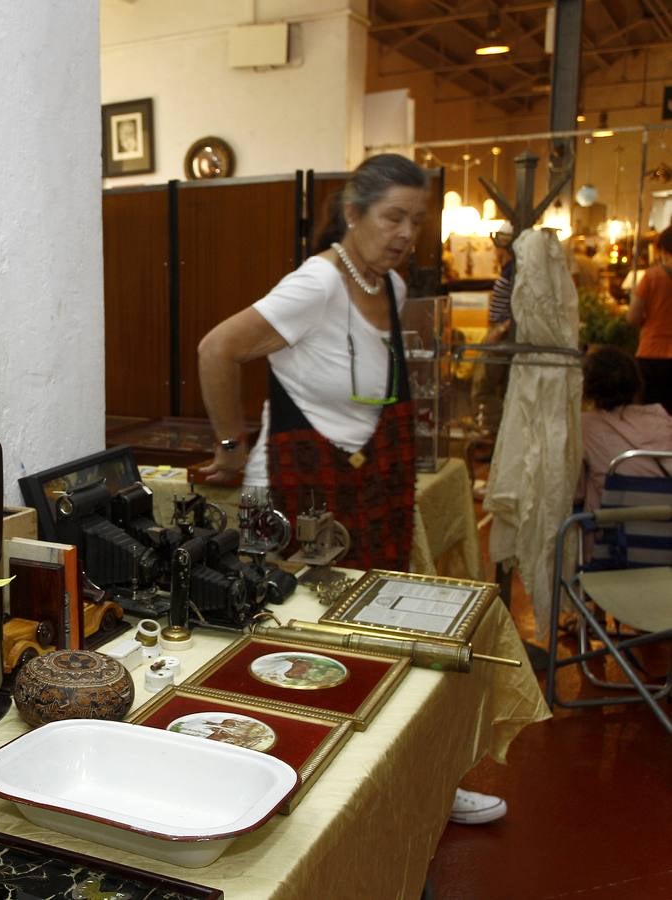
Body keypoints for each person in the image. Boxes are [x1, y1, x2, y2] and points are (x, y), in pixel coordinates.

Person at [196, 152, 507, 826]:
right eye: (392, 216)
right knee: (295, 657)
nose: (405, 233)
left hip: (368, 491)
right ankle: (306, 805)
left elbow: (366, 394)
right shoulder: (318, 284)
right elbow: (217, 348)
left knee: (383, 644)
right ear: (353, 213)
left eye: (416, 222)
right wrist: (229, 447)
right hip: (292, 492)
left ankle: (418, 783)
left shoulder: (391, 291)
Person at [577, 345, 672, 515]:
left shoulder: (585, 427)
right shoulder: (663, 421)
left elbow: (575, 493)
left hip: (612, 536)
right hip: (665, 536)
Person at [470, 223, 517, 433]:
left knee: (484, 387)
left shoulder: (513, 271)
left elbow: (519, 306)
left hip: (501, 335)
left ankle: (492, 433)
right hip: (500, 332)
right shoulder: (510, 270)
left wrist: (499, 330)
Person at [627, 225, 672, 413]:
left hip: (652, 352)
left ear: (661, 248)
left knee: (651, 413)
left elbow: (633, 317)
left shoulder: (652, 277)